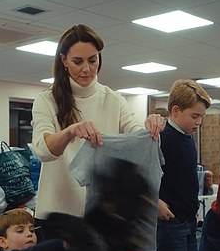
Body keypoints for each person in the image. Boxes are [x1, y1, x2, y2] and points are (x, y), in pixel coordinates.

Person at [30, 24, 164, 237]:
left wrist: (151, 128)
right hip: (58, 219)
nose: (87, 69)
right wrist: (70, 131)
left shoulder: (113, 99)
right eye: (78, 61)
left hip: (101, 217)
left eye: (93, 60)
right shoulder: (46, 100)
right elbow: (42, 150)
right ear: (63, 60)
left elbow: (135, 135)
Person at [157, 79, 211, 251]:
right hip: (170, 222)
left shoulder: (187, 138)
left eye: (202, 117)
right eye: (194, 116)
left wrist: (192, 208)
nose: (199, 122)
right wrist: (155, 202)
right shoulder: (161, 137)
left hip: (188, 220)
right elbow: (138, 175)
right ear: (175, 111)